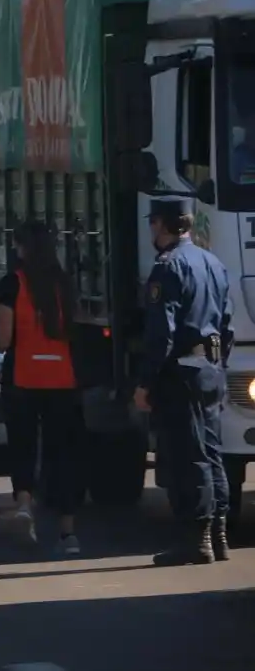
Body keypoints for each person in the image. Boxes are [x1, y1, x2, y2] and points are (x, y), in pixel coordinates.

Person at [135, 198, 232, 566]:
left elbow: (162, 332)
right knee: (211, 452)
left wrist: (146, 381)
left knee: (187, 456)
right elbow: (227, 322)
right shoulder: (213, 262)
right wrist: (218, 363)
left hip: (183, 372)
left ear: (160, 224)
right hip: (211, 368)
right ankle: (218, 535)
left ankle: (197, 539)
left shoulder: (168, 267)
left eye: (152, 224)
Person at [0, 221, 85, 556]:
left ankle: (24, 506)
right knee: (63, 453)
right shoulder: (63, 283)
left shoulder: (11, 284)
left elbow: (3, 340)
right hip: (61, 378)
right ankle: (68, 532)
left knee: (23, 446)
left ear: (20, 247)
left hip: (23, 378)